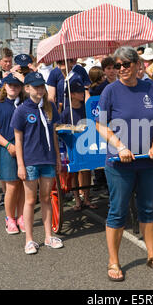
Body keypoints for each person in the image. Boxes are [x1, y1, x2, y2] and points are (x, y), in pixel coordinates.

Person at [96, 46, 153, 281]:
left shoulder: (149, 87)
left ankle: (152, 255)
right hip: (120, 163)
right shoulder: (110, 91)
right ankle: (113, 261)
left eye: (126, 64)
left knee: (148, 208)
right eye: (117, 66)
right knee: (117, 211)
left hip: (148, 160)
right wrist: (120, 146)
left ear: (137, 65)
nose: (121, 69)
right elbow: (100, 124)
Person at [11, 72, 63, 254]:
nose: (40, 89)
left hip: (47, 158)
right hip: (30, 160)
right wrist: (20, 164)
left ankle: (49, 236)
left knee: (46, 198)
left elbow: (54, 135)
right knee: (31, 200)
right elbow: (18, 139)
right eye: (36, 86)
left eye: (42, 86)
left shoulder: (50, 108)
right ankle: (30, 240)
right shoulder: (21, 110)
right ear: (27, 89)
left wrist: (57, 157)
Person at [0, 73, 26, 234]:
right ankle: (10, 218)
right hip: (6, 147)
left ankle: (21, 216)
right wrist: (8, 145)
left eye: (16, 85)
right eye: (10, 85)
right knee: (12, 185)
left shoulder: (25, 103)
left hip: (25, 148)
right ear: (5, 86)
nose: (13, 88)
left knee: (24, 184)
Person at [60, 75, 96, 211]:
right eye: (79, 92)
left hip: (86, 145)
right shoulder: (66, 113)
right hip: (72, 146)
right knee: (74, 173)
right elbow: (60, 129)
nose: (82, 94)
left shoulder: (86, 110)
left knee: (86, 171)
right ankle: (77, 200)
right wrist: (72, 129)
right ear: (72, 95)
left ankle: (86, 198)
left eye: (83, 91)